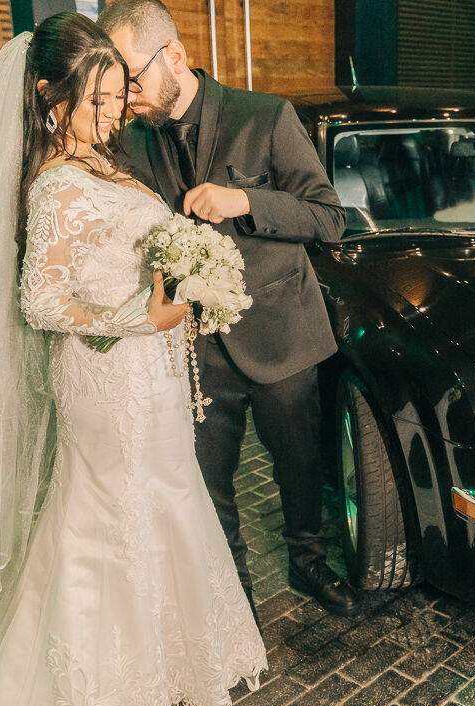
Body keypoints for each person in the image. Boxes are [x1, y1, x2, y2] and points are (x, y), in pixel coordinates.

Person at [0, 14, 265, 706]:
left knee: (168, 495)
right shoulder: (56, 184)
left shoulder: (104, 163)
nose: (109, 113)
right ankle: (106, 678)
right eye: (93, 100)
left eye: (115, 96)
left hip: (146, 374)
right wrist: (142, 318)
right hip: (103, 381)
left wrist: (191, 283)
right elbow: (41, 301)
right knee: (110, 517)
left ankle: (172, 661)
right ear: (45, 95)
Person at [97, 0, 358, 617]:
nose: (127, 95)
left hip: (282, 338)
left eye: (132, 77)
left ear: (176, 55)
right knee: (208, 484)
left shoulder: (265, 116)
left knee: (299, 469)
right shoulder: (132, 141)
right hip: (191, 347)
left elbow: (330, 219)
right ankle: (233, 593)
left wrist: (246, 200)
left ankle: (308, 562)